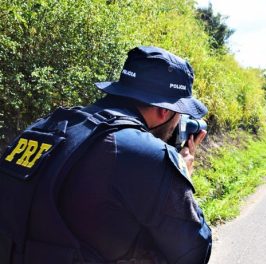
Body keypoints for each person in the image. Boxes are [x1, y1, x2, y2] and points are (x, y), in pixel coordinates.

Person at [0, 46, 212, 263]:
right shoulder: (148, 156)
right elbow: (194, 252)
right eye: (180, 113)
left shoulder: (43, 128)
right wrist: (182, 175)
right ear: (164, 111)